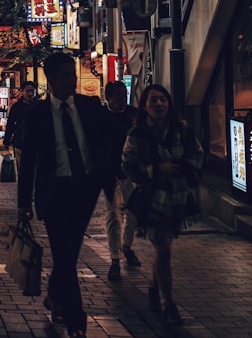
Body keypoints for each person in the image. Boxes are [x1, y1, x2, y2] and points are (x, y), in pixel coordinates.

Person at [17, 52, 112, 338]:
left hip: (84, 190)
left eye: (74, 74)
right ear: (52, 79)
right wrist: (23, 204)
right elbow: (29, 161)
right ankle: (76, 321)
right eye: (67, 75)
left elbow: (103, 145)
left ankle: (56, 295)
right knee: (64, 254)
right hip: (54, 191)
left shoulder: (90, 106)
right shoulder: (37, 114)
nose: (73, 80)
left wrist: (106, 180)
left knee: (69, 254)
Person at [122, 83, 204, 327]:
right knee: (163, 246)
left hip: (177, 198)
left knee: (163, 248)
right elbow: (128, 164)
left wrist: (186, 171)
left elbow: (197, 155)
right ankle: (169, 304)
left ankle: (154, 287)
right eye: (153, 100)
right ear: (144, 106)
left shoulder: (181, 129)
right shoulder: (137, 134)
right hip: (152, 199)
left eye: (163, 100)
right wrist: (156, 169)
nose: (159, 104)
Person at [104, 80, 142, 281]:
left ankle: (127, 246)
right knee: (113, 215)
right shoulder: (101, 117)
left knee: (133, 213)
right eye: (117, 95)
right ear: (108, 98)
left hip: (132, 173)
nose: (122, 99)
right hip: (110, 174)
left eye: (124, 94)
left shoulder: (134, 115)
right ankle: (115, 258)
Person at [2, 81, 38, 170]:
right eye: (27, 91)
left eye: (32, 91)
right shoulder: (17, 107)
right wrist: (6, 140)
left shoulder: (40, 106)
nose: (30, 94)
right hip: (20, 142)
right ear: (22, 91)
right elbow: (10, 124)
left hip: (36, 143)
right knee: (21, 169)